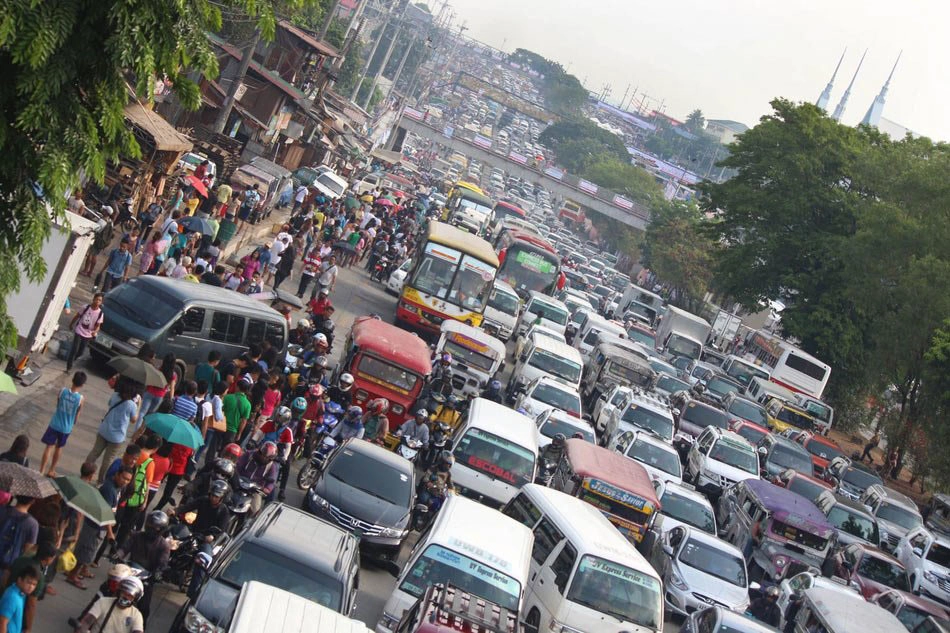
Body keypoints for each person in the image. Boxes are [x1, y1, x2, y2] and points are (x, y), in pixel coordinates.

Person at [68, 467, 132, 590]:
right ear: (117, 475)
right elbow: (105, 511)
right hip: (95, 525)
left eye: (128, 480)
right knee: (86, 551)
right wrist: (110, 532)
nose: (125, 482)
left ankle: (78, 570)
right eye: (124, 478)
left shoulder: (117, 487)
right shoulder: (109, 489)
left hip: (99, 525)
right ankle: (73, 575)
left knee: (88, 551)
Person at [114, 512, 169, 623]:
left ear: (161, 530)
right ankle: (84, 618)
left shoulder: (163, 545)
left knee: (143, 608)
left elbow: (162, 564)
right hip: (128, 572)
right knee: (106, 587)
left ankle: (141, 628)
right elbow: (125, 548)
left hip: (147, 578)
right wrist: (117, 555)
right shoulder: (137, 535)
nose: (151, 530)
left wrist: (158, 573)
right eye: (149, 526)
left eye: (155, 528)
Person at [86, 382, 140, 484]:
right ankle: (100, 481)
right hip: (117, 437)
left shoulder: (115, 396)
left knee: (94, 453)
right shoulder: (131, 405)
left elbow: (109, 403)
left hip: (104, 430)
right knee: (108, 461)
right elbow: (134, 419)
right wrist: (138, 404)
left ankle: (86, 472)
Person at [39, 371, 86, 476]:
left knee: (48, 447)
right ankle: (51, 470)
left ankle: (41, 470)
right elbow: (77, 415)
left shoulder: (62, 391)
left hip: (55, 423)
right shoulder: (81, 399)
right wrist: (73, 421)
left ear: (73, 380)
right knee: (59, 447)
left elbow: (58, 404)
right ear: (82, 385)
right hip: (66, 427)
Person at [2, 542, 56, 631]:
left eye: (33, 585)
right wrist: (28, 628)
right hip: (15, 615)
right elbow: (31, 605)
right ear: (49, 559)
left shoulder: (21, 559)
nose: (31, 586)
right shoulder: (38, 575)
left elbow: (6, 575)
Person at [234, 442, 278, 513]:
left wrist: (267, 489)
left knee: (255, 509)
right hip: (239, 482)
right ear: (259, 451)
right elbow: (238, 465)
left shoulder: (272, 466)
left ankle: (249, 522)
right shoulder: (249, 454)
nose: (263, 458)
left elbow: (271, 481)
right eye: (262, 455)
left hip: (255, 490)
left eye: (267, 458)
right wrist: (235, 474)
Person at [65, 293, 104, 371]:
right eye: (96, 299)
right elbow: (77, 316)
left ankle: (72, 359)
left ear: (101, 303)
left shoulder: (100, 313)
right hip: (79, 330)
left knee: (80, 352)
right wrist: (71, 324)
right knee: (74, 349)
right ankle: (68, 367)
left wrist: (95, 331)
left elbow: (98, 325)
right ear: (93, 299)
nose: (97, 301)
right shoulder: (85, 307)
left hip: (88, 334)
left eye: (100, 300)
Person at [0, 564, 38, 633]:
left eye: (34, 584)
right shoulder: (12, 597)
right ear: (20, 580)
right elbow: (2, 622)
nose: (31, 587)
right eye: (29, 582)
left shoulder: (21, 594)